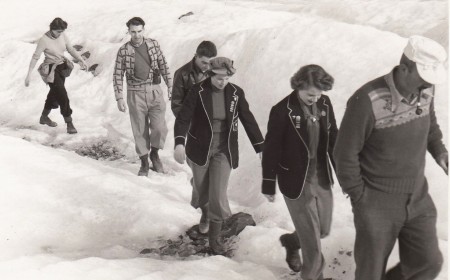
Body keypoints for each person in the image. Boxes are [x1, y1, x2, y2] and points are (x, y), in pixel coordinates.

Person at [333, 35, 448, 280]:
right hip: (375, 202)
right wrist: (359, 196)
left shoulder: (426, 89)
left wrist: (439, 150)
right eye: (424, 80)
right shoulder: (366, 100)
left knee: (427, 263)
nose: (426, 87)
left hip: (417, 197)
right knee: (370, 273)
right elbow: (344, 153)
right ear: (404, 69)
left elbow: (430, 125)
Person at [173, 57, 264, 255]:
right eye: (219, 78)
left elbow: (248, 120)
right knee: (201, 188)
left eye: (226, 78)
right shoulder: (197, 92)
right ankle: (205, 212)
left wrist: (261, 147)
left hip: (224, 149)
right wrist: (179, 142)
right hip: (200, 149)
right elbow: (183, 118)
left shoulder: (235, 93)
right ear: (210, 74)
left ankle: (214, 240)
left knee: (218, 192)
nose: (223, 82)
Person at [262, 65, 337, 280]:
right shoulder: (281, 110)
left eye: (319, 94)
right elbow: (271, 149)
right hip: (296, 179)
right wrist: (268, 183)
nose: (316, 98)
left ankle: (292, 242)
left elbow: (333, 137)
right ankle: (312, 277)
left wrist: (345, 174)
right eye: (310, 94)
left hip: (321, 176)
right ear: (298, 87)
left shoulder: (325, 103)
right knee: (313, 242)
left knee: (322, 230)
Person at [113, 17, 172, 176]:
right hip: (135, 93)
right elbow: (118, 75)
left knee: (160, 128)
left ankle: (154, 153)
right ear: (129, 32)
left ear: (144, 30)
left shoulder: (153, 44)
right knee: (140, 130)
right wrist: (119, 97)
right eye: (133, 32)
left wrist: (170, 85)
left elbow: (163, 65)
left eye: (139, 31)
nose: (137, 35)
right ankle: (144, 162)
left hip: (154, 91)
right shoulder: (124, 51)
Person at [25, 17, 88, 134]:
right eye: (58, 31)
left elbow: (70, 49)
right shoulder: (44, 39)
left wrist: (81, 59)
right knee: (62, 95)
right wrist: (28, 74)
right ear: (52, 29)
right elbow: (35, 57)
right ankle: (69, 123)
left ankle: (44, 117)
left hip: (62, 68)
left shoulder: (62, 35)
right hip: (50, 70)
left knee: (54, 94)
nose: (61, 33)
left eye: (62, 31)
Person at [171, 41, 217, 117]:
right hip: (191, 122)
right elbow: (176, 104)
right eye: (204, 63)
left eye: (211, 63)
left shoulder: (216, 71)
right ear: (196, 56)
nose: (208, 67)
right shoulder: (181, 73)